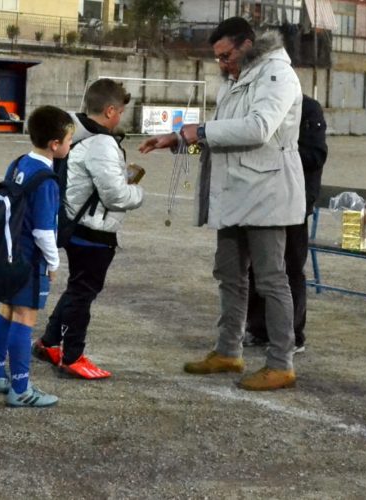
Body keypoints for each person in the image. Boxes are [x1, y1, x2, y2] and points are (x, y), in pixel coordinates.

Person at [139, 18, 305, 391]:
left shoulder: (277, 75)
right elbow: (222, 129)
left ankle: (281, 362)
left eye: (226, 55)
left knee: (271, 279)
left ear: (247, 44)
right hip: (235, 191)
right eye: (218, 58)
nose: (222, 64)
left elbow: (259, 127)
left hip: (266, 193)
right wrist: (177, 139)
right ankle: (228, 349)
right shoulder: (236, 78)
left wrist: (199, 131)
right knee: (229, 275)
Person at [33, 79, 144, 379]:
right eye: (120, 111)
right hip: (94, 231)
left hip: (75, 224)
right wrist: (138, 193)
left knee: (77, 289)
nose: (121, 117)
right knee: (83, 293)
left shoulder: (75, 132)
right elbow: (115, 195)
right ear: (110, 111)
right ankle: (72, 355)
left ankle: (48, 343)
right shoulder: (102, 143)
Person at [0, 105, 74, 406]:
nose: (70, 146)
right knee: (25, 317)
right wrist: (54, 263)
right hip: (31, 259)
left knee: (7, 310)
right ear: (55, 145)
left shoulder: (19, 162)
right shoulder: (47, 180)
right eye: (69, 141)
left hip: (9, 252)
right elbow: (44, 231)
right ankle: (20, 389)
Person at [243, 94, 327, 352]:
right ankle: (258, 328)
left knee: (290, 267)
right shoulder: (260, 106)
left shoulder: (309, 109)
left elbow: (316, 156)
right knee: (258, 266)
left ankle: (293, 334)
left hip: (295, 199)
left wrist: (277, 154)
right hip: (262, 197)